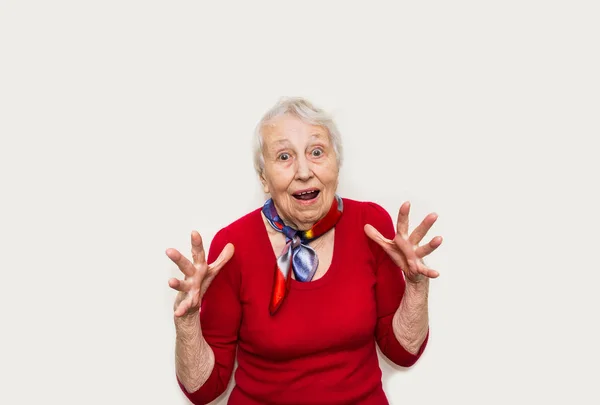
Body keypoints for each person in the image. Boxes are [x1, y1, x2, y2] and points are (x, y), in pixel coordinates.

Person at [166, 97, 443, 405]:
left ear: (336, 164)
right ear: (264, 178)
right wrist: (187, 322)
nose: (303, 171)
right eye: (284, 156)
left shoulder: (371, 226)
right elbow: (203, 390)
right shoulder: (234, 246)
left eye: (316, 152)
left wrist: (417, 286)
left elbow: (404, 351)